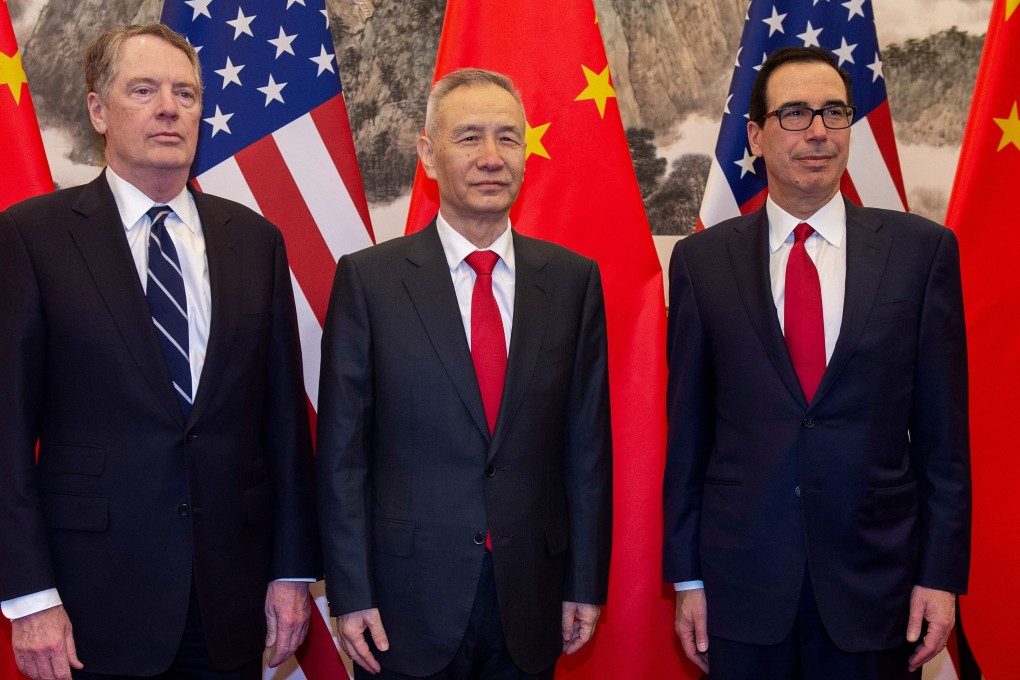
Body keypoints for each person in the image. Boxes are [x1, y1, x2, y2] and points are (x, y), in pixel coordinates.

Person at [0, 23, 320, 680]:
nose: (169, 108)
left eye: (186, 93)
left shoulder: (255, 241)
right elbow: (4, 433)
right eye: (143, 90)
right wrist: (29, 598)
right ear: (98, 110)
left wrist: (292, 573)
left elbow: (284, 424)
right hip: (87, 604)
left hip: (231, 600)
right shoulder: (32, 238)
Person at [663, 46, 970, 679]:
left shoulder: (921, 253)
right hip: (742, 586)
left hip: (878, 586)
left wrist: (940, 577)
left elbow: (945, 443)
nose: (818, 132)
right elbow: (688, 436)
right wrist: (687, 579)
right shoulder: (700, 262)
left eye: (834, 112)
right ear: (756, 135)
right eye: (795, 113)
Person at [316, 68, 613, 680]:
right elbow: (343, 454)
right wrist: (350, 591)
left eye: (508, 138)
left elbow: (587, 449)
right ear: (428, 155)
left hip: (531, 596)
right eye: (469, 137)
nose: (491, 157)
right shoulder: (369, 282)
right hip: (403, 601)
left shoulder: (572, 281)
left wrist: (584, 581)